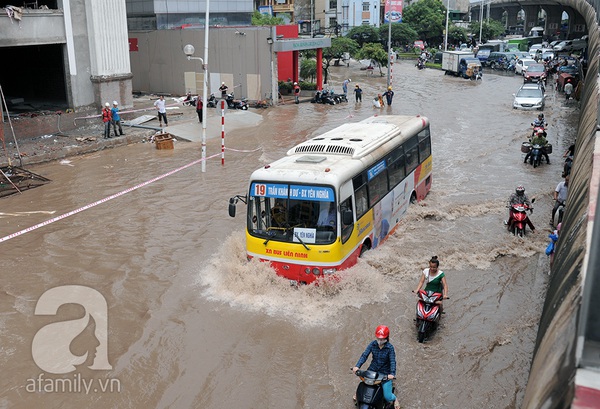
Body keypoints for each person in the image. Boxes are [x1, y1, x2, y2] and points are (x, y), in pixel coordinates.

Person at [352, 325, 400, 409]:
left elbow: (392, 361)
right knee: (363, 384)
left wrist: (392, 373)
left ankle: (395, 399)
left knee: (387, 396)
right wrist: (357, 366)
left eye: (382, 339)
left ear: (386, 338)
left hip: (385, 373)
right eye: (378, 338)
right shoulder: (373, 344)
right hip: (372, 369)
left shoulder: (390, 348)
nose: (380, 340)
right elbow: (365, 355)